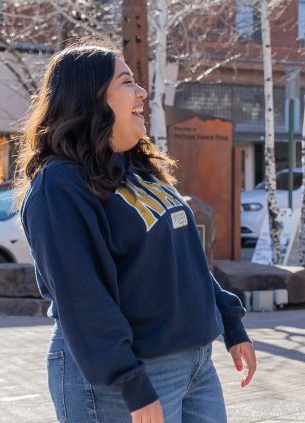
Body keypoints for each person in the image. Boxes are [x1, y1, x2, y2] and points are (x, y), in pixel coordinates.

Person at [15, 43, 256, 423]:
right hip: (125, 377)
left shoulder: (136, 167)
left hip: (195, 364)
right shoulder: (59, 186)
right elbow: (82, 297)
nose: (142, 92)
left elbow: (182, 260)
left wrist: (230, 320)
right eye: (127, 82)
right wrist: (129, 381)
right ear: (90, 99)